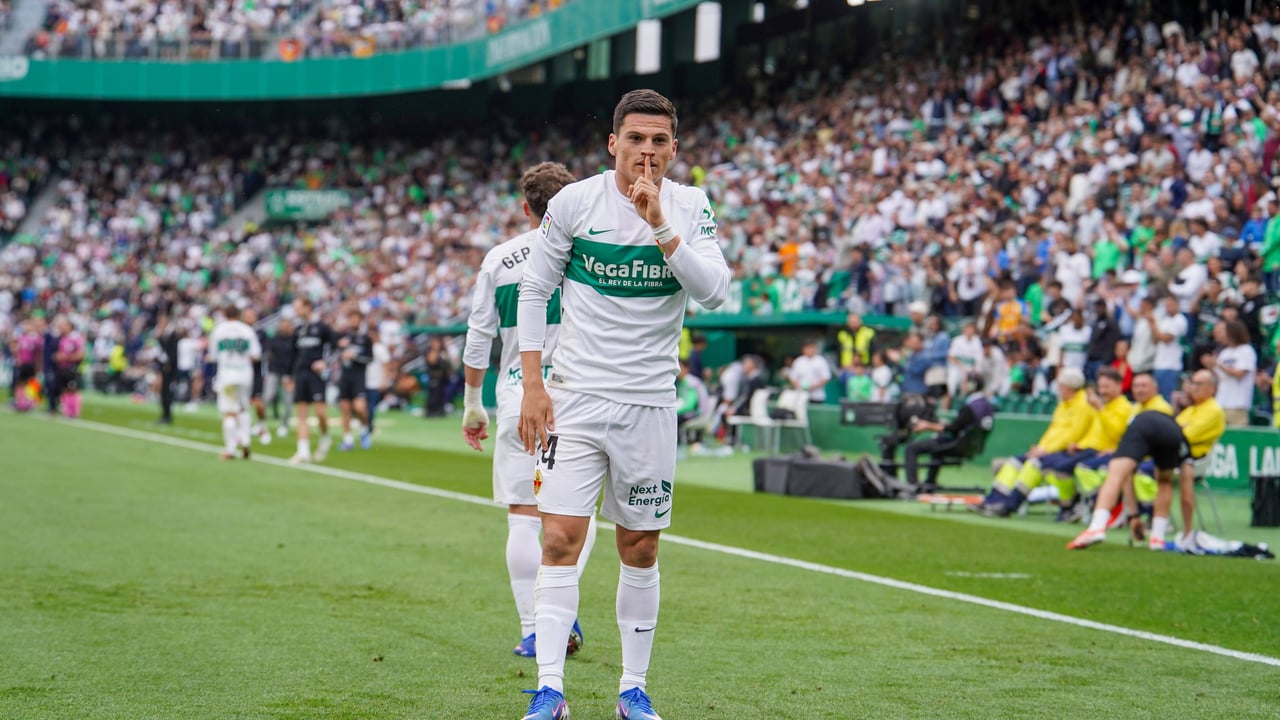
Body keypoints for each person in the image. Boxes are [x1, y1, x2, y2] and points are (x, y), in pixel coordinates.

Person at [515, 89, 730, 720]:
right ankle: (550, 691)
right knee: (558, 537)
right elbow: (535, 287)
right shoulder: (574, 202)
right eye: (635, 139)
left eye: (659, 141)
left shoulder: (691, 206)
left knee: (640, 547)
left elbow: (715, 291)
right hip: (575, 399)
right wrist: (534, 384)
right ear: (614, 143)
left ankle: (632, 691)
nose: (647, 151)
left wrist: (660, 223)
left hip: (648, 405)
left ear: (674, 148)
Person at [460, 160, 597, 659]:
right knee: (576, 510)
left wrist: (474, 403)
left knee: (522, 514)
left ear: (526, 208)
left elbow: (479, 339)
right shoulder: (590, 249)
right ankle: (556, 612)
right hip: (580, 392)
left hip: (519, 393)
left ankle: (535, 626)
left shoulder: (500, 258)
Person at [1068, 369, 1227, 551]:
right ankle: (1157, 536)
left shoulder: (1208, 410)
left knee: (1118, 472)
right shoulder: (1180, 411)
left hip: (1190, 454)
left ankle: (1098, 526)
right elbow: (1179, 431)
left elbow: (1186, 434)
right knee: (1157, 478)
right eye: (1136, 386)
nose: (1139, 390)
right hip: (1174, 446)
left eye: (1144, 385)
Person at [973, 368, 1094, 517]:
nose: (1058, 388)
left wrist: (1045, 450)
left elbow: (1073, 435)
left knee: (1033, 464)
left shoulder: (1083, 406)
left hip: (1065, 453)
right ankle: (993, 501)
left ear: (1068, 387)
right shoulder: (1063, 404)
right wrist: (1040, 447)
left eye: (1061, 385)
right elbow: (1053, 431)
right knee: (1013, 462)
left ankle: (1009, 505)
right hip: (1048, 450)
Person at [1039, 368, 1132, 522]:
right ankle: (1074, 505)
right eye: (1100, 387)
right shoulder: (1104, 406)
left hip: (1104, 453)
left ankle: (1103, 504)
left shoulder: (1123, 408)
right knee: (1051, 465)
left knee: (1078, 468)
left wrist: (1100, 410)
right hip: (1089, 449)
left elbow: (1115, 433)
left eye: (1106, 387)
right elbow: (1093, 434)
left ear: (1119, 386)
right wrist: (1079, 444)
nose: (1102, 391)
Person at [893, 371, 994, 490]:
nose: (963, 385)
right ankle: (930, 482)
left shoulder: (970, 407)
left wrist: (927, 425)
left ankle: (912, 486)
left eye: (965, 382)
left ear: (972, 385)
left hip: (956, 445)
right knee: (937, 444)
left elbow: (953, 429)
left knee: (911, 449)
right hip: (969, 445)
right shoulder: (987, 405)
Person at [207, 305, 262, 460]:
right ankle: (245, 441)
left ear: (224, 314)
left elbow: (213, 355)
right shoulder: (247, 330)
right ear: (239, 315)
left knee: (229, 412)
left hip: (227, 375)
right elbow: (256, 354)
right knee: (243, 408)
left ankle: (230, 449)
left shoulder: (219, 330)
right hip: (245, 374)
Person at [289, 296, 337, 464]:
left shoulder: (322, 328)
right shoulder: (298, 329)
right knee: (301, 414)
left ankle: (325, 437)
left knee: (320, 413)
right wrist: (290, 376)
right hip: (301, 374)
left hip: (316, 376)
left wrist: (326, 362)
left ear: (308, 306)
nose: (296, 311)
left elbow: (336, 348)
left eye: (298, 306)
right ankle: (303, 451)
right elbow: (293, 355)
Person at [1202, 320, 1257, 427]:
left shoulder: (1246, 350)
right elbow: (1219, 376)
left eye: (1224, 331)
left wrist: (1218, 364)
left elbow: (1240, 374)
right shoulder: (1224, 352)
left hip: (1238, 403)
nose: (1221, 335)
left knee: (1237, 437)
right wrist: (1210, 366)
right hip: (1221, 401)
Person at [336, 308, 374, 451]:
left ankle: (364, 431)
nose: (353, 321)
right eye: (351, 318)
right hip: (345, 377)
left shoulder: (365, 339)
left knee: (360, 408)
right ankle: (347, 440)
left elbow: (369, 358)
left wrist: (355, 357)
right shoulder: (344, 338)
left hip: (358, 377)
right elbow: (336, 356)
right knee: (345, 409)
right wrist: (340, 352)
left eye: (356, 318)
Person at [242, 307, 272, 445]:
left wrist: (255, 357)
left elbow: (265, 351)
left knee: (257, 402)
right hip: (240, 371)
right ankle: (243, 429)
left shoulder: (260, 332)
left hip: (255, 371)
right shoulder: (239, 332)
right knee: (242, 402)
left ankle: (261, 425)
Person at [264, 316, 296, 437]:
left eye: (287, 324)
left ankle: (284, 425)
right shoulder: (274, 338)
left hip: (289, 374)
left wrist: (290, 374)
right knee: (268, 396)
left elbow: (295, 357)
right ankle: (261, 422)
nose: (284, 326)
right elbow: (269, 354)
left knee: (288, 401)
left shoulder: (294, 339)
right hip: (274, 371)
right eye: (283, 324)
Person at [51, 315, 84, 419]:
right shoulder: (62, 338)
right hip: (62, 368)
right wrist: (57, 357)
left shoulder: (76, 338)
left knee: (73, 389)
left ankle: (75, 412)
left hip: (72, 368)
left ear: (70, 326)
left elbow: (80, 354)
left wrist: (66, 357)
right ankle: (67, 411)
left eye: (64, 325)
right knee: (64, 389)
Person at [787, 339, 832, 403]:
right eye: (808, 348)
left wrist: (813, 386)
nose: (810, 350)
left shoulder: (821, 361)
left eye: (812, 347)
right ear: (803, 349)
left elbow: (826, 377)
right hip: (801, 395)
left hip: (817, 396)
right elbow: (793, 377)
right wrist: (800, 386)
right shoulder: (798, 361)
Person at [155, 315, 180, 425]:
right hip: (164, 365)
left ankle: (167, 415)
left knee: (166, 391)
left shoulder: (172, 334)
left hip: (169, 367)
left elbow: (172, 352)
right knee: (163, 391)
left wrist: (169, 364)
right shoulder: (165, 334)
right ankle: (165, 414)